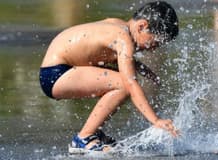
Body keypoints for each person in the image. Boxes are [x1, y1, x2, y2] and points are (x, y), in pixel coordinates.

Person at [39, 1, 179, 152]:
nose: (153, 49)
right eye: (155, 43)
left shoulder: (118, 25)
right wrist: (156, 120)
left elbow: (115, 56)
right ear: (142, 26)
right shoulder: (123, 38)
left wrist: (143, 69)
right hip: (56, 75)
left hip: (62, 69)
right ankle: (84, 138)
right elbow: (131, 83)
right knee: (124, 85)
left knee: (117, 79)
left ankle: (94, 132)